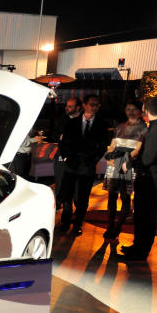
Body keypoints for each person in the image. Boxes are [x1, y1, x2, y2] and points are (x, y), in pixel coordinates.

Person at [119, 97, 157, 261]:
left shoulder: (156, 129)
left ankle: (140, 251)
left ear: (147, 111)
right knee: (146, 214)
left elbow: (147, 158)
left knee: (144, 214)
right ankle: (139, 247)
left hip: (149, 177)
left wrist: (130, 165)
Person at [57, 95, 107, 235]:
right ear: (84, 105)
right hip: (71, 164)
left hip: (88, 166)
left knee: (83, 198)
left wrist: (95, 159)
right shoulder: (72, 123)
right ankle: (65, 222)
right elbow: (63, 142)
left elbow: (103, 145)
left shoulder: (101, 125)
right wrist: (66, 157)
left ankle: (77, 224)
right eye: (92, 104)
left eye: (97, 105)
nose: (94, 107)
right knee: (67, 195)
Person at [102, 99, 147, 240]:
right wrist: (108, 156)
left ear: (140, 112)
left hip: (129, 165)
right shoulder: (120, 126)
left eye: (134, 109)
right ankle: (110, 225)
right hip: (115, 163)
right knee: (111, 196)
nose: (130, 112)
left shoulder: (144, 129)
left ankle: (118, 226)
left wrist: (125, 160)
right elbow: (113, 145)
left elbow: (138, 150)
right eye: (128, 109)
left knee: (125, 197)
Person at [53, 96, 83, 199]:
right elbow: (54, 135)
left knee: (77, 181)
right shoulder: (62, 119)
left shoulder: (85, 119)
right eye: (67, 106)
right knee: (60, 178)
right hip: (62, 154)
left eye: (70, 106)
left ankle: (77, 203)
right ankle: (59, 201)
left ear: (78, 108)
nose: (67, 108)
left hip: (78, 156)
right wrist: (60, 137)